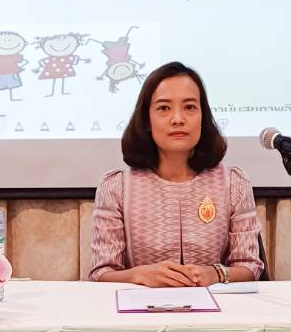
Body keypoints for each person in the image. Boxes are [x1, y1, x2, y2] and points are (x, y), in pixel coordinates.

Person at [88, 61, 263, 287]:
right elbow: (101, 272)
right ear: (147, 120)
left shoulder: (232, 182)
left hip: (215, 306)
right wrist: (139, 275)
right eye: (164, 108)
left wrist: (216, 274)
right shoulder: (117, 186)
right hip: (142, 306)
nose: (178, 119)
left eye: (189, 107)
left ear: (203, 117)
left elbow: (249, 266)